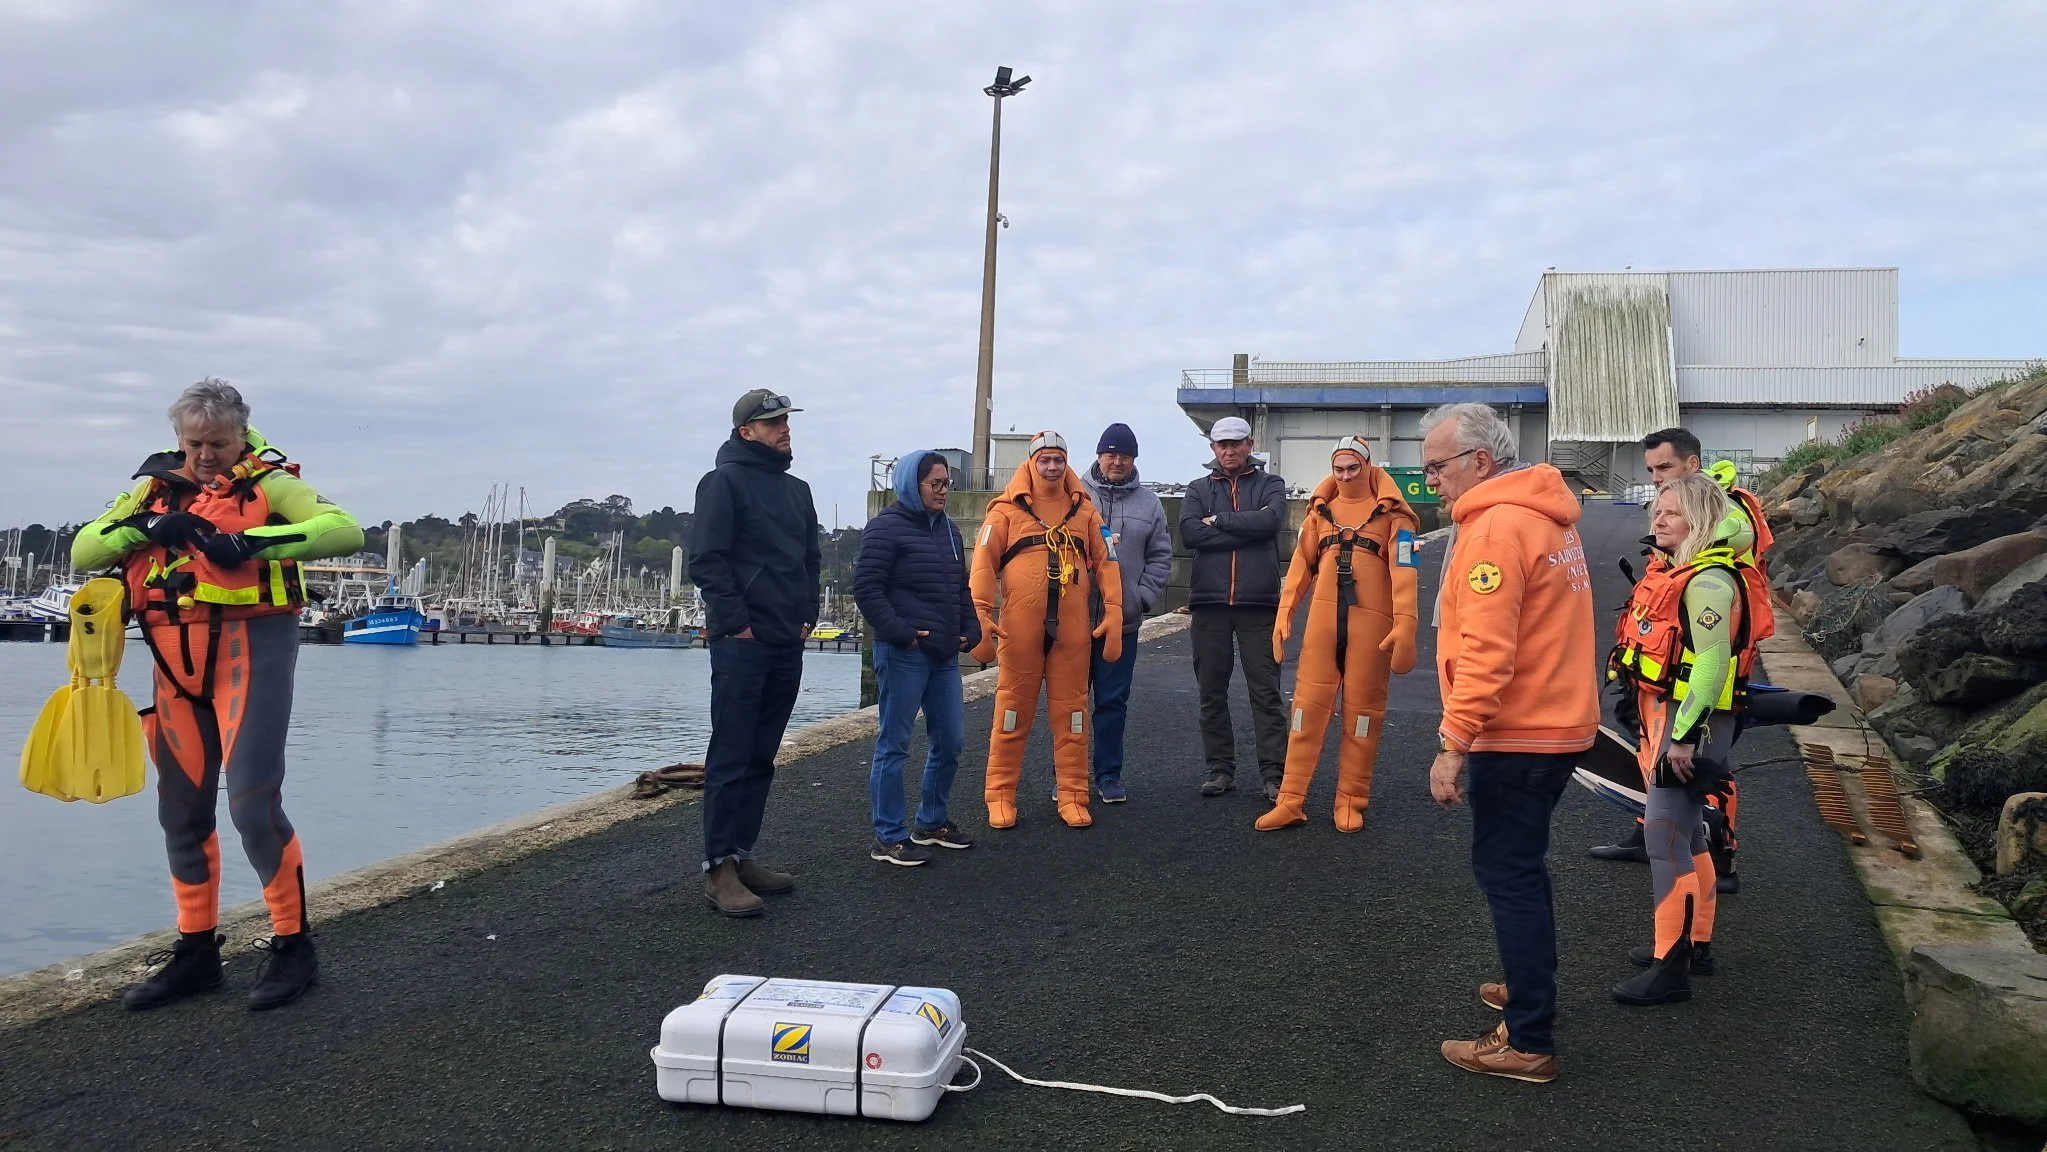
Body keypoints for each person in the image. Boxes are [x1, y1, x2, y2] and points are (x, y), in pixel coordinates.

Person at [71, 378, 364, 1012]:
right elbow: (84, 549)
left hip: (250, 654)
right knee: (180, 811)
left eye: (219, 444)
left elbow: (345, 532)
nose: (205, 456)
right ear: (179, 438)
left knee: (253, 806)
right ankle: (197, 953)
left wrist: (249, 542)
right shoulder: (151, 489)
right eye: (194, 443)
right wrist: (149, 525)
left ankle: (293, 947)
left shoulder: (271, 485)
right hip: (174, 666)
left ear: (241, 437)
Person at [1422, 402, 1596, 1084]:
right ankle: (1528, 988)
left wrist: (1452, 742)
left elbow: (1487, 652)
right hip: (1558, 722)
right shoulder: (1544, 516)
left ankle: (1528, 1039)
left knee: (1508, 875)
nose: (1430, 479)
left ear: (1479, 461)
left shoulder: (1495, 528)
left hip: (1520, 731)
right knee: (1523, 868)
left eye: (1437, 466)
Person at [1590, 426, 1775, 893]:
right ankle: (1653, 829)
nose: (1655, 478)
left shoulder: (1720, 516)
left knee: (1703, 771)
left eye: (1664, 468)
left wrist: (1688, 731)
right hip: (1663, 675)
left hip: (1701, 684)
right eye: (1651, 470)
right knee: (1655, 768)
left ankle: (1719, 854)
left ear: (1693, 466)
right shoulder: (1678, 513)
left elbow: (1733, 534)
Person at [1606, 473, 1756, 1005]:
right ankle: (1694, 944)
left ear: (1702, 519)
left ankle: (1670, 966)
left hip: (1694, 723)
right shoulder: (1688, 571)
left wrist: (1684, 739)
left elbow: (1711, 667)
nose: (1659, 520)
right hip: (1685, 718)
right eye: (1657, 511)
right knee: (1688, 836)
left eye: (1671, 512)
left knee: (1665, 838)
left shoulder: (1708, 583)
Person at [688, 389, 822, 916]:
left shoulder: (797, 490)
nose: (784, 428)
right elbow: (707, 560)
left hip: (787, 639)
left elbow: (810, 559)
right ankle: (717, 868)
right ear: (746, 432)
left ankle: (742, 855)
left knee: (762, 753)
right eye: (772, 423)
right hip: (742, 644)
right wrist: (737, 625)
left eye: (785, 420)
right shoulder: (722, 482)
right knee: (732, 753)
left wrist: (808, 614)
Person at [1260, 437, 1419, 832]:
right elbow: (1300, 566)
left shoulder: (1394, 517)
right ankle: (1290, 799)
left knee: (1363, 714)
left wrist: (1406, 623)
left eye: (1352, 468)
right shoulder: (1319, 515)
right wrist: (1284, 613)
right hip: (1323, 625)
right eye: (1339, 469)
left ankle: (1351, 799)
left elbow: (1405, 572)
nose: (1346, 476)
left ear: (1367, 467)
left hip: (1372, 629)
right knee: (1305, 710)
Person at [969, 432, 1122, 829]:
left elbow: (1108, 562)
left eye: (1058, 460)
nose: (1052, 467)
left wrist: (1114, 611)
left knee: (1073, 715)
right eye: (1045, 460)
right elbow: (983, 564)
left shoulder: (1085, 513)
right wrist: (980, 614)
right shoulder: (1004, 512)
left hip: (1072, 633)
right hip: (1018, 632)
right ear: (1032, 463)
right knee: (1011, 712)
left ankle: (1073, 795)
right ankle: (1000, 794)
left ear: (1066, 462)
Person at [854, 450, 980, 866]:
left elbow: (960, 587)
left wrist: (971, 628)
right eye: (935, 484)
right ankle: (888, 836)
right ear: (913, 484)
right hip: (903, 653)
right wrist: (902, 633)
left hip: (944, 654)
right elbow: (866, 589)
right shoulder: (884, 529)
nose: (944, 492)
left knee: (951, 740)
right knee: (895, 745)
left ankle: (931, 822)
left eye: (947, 484)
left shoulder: (950, 531)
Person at [1179, 416, 1289, 799]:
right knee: (1211, 692)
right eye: (1221, 444)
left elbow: (1270, 522)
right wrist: (1246, 532)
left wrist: (1220, 521)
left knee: (1266, 692)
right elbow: (1190, 532)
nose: (1229, 450)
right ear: (1213, 448)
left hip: (1258, 604)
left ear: (1249, 445)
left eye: (1235, 443)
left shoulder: (1271, 484)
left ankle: (1274, 775)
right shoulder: (1197, 488)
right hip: (1209, 604)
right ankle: (1220, 770)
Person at [1078, 423, 1173, 804]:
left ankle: (1108, 775)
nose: (1117, 461)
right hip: (1073, 621)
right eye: (1111, 454)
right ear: (1099, 455)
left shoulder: (1150, 504)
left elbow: (1161, 556)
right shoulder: (1074, 494)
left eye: (1125, 456)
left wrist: (1141, 598)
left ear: (1134, 459)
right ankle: (1067, 776)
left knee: (1113, 702)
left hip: (1123, 624)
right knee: (1070, 704)